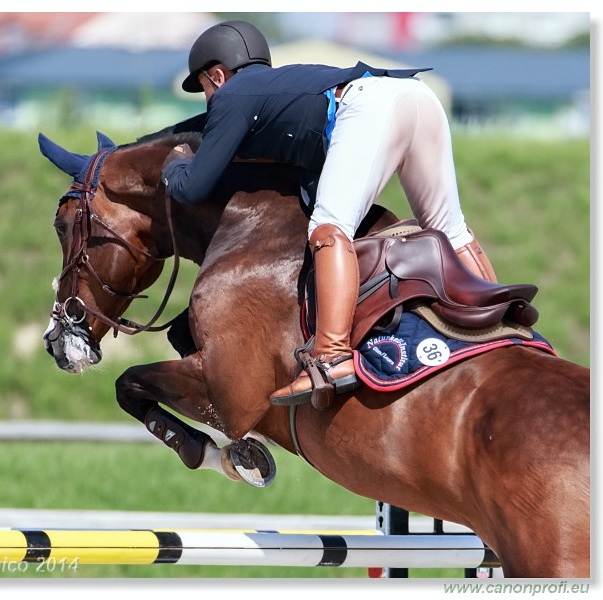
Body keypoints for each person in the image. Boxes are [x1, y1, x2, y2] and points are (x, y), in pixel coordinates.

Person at [161, 20, 497, 410]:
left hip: (371, 105)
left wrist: (174, 163)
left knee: (328, 228)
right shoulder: (277, 91)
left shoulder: (232, 95)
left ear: (217, 75)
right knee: (449, 229)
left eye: (204, 87)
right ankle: (500, 326)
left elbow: (191, 188)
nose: (207, 98)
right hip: (418, 96)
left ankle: (331, 356)